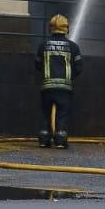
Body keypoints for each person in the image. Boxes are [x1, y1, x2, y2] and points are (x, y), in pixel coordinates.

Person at [36, 13, 82, 148]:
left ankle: (44, 139)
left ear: (50, 28)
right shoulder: (73, 47)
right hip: (64, 88)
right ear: (66, 29)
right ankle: (60, 140)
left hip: (47, 87)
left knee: (45, 112)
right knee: (62, 113)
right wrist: (70, 77)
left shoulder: (42, 45)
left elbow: (37, 64)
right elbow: (79, 67)